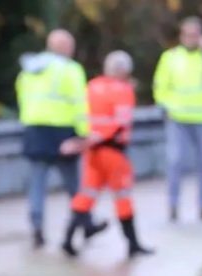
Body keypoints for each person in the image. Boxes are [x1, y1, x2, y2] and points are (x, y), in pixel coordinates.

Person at [15, 29, 107, 250]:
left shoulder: (28, 71)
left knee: (37, 183)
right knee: (74, 184)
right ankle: (84, 222)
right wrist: (84, 133)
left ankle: (37, 228)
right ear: (64, 47)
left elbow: (22, 97)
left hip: (35, 131)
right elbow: (79, 103)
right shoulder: (70, 70)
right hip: (63, 131)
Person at [60, 50, 153, 260]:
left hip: (92, 150)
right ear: (123, 70)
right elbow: (120, 122)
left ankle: (67, 240)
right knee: (122, 196)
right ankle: (133, 244)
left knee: (86, 194)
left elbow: (83, 114)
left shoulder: (92, 86)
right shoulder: (124, 90)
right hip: (112, 151)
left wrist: (84, 141)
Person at [153, 16, 202, 222]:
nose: (190, 38)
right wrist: (167, 107)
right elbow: (160, 85)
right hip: (178, 118)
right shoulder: (170, 57)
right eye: (187, 34)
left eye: (195, 35)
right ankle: (173, 205)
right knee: (175, 161)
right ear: (181, 35)